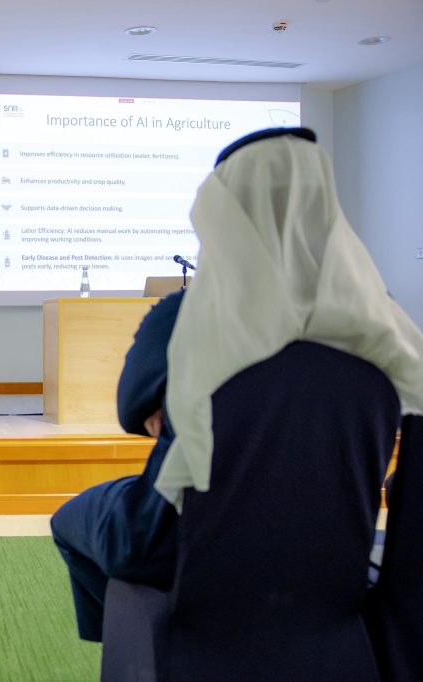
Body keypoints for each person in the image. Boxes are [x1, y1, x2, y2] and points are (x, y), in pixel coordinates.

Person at [50, 127, 423, 642]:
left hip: (173, 539)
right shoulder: (382, 329)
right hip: (332, 553)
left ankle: (134, 646)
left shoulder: (190, 314)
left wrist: (177, 406)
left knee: (74, 515)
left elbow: (130, 408)